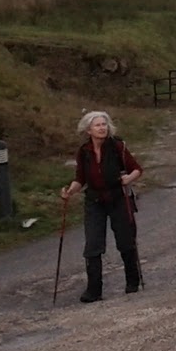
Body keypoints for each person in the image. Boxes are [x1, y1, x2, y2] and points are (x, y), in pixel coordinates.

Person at [62, 111, 143, 302]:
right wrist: (70, 191)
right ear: (88, 129)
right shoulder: (84, 152)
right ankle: (94, 290)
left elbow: (137, 169)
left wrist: (128, 179)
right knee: (93, 244)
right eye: (98, 125)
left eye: (104, 125)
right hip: (94, 200)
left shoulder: (117, 147)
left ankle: (132, 281)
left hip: (118, 197)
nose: (102, 128)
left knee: (125, 239)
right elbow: (80, 179)